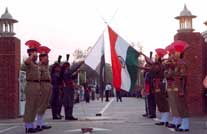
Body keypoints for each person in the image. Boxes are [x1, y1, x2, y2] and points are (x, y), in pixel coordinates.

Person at [23, 40, 42, 133]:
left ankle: (32, 125)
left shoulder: (36, 64)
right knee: (30, 106)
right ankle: (28, 126)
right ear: (30, 52)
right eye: (35, 52)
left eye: (36, 52)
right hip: (30, 85)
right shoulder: (29, 61)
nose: (36, 54)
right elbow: (26, 61)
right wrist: (31, 55)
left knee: (35, 106)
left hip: (37, 85)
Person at [62, 54, 84, 120]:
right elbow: (73, 70)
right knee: (69, 102)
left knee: (68, 102)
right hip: (68, 88)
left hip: (69, 88)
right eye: (69, 66)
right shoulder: (66, 72)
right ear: (67, 67)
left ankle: (68, 115)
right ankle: (69, 115)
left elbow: (72, 77)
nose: (70, 67)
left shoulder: (66, 72)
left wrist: (77, 73)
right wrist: (80, 64)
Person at [36, 46, 52, 130]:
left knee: (45, 105)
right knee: (41, 105)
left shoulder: (46, 66)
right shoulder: (39, 66)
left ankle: (41, 123)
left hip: (48, 85)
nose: (48, 59)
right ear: (41, 58)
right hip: (42, 85)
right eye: (46, 57)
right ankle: (38, 123)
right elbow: (37, 78)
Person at [152, 49, 170, 126]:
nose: (155, 57)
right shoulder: (157, 65)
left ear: (159, 57)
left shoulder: (160, 65)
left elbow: (154, 70)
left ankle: (165, 119)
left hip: (161, 84)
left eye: (156, 56)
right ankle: (163, 119)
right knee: (159, 102)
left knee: (163, 101)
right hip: (157, 84)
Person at [174, 50, 189, 132]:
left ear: (179, 54)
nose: (174, 54)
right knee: (179, 106)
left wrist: (182, 90)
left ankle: (185, 125)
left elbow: (183, 77)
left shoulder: (182, 64)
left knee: (183, 106)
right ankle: (183, 124)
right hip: (178, 87)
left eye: (175, 53)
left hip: (181, 88)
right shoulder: (178, 63)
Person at [51, 56, 63, 120]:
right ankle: (55, 115)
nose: (59, 68)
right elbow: (55, 82)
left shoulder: (58, 73)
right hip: (54, 89)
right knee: (55, 103)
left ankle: (57, 114)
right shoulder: (53, 74)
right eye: (58, 67)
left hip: (57, 89)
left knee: (58, 103)